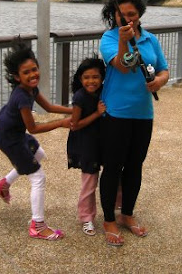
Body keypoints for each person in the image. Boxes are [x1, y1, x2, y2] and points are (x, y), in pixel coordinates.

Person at [99, 0, 169, 246]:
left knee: (135, 166)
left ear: (139, 15)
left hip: (143, 114)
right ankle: (108, 219)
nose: (127, 19)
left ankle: (127, 214)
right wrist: (123, 40)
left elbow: (163, 69)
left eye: (132, 14)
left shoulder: (150, 40)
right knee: (113, 167)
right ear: (114, 15)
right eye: (122, 14)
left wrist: (159, 81)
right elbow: (121, 64)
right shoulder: (108, 38)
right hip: (117, 113)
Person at [0, 39, 72, 241]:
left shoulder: (31, 90)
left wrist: (75, 110)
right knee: (38, 177)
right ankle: (37, 225)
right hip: (10, 138)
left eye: (34, 69)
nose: (32, 75)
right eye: (26, 73)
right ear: (17, 77)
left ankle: (3, 183)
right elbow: (33, 127)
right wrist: (61, 124)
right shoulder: (21, 97)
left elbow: (50, 107)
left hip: (11, 132)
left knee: (37, 153)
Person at [67, 57, 106, 236]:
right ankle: (86, 217)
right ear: (80, 79)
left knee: (116, 172)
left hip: (102, 140)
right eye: (87, 77)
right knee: (89, 183)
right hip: (86, 144)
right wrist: (97, 114)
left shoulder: (104, 91)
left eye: (95, 77)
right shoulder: (79, 97)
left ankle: (116, 205)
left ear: (102, 78)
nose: (91, 81)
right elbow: (75, 125)